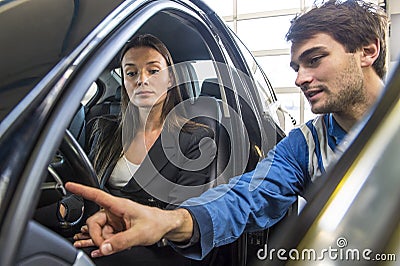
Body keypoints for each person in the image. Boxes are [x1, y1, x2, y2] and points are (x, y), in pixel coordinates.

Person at [66, 0, 388, 261]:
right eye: (296, 67)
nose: (300, 78)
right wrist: (170, 221)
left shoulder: (195, 137)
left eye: (314, 59)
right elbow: (243, 198)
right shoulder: (304, 146)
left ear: (368, 51)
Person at [55, 34, 216, 265]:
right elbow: (88, 188)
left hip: (159, 246)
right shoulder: (104, 129)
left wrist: (118, 231)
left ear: (170, 79)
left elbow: (183, 218)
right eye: (131, 73)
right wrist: (66, 211)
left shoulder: (195, 139)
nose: (142, 79)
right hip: (100, 230)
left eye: (153, 71)